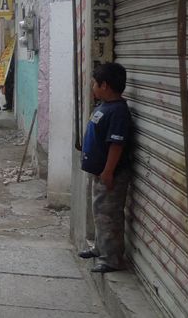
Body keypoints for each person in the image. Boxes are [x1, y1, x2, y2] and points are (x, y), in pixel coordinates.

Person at [78, 62, 134, 273]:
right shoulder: (105, 106)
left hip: (111, 174)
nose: (92, 86)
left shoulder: (118, 111)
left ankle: (112, 259)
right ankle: (100, 248)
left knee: (109, 215)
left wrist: (109, 171)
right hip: (100, 172)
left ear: (105, 85)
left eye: (94, 83)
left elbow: (116, 144)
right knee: (100, 212)